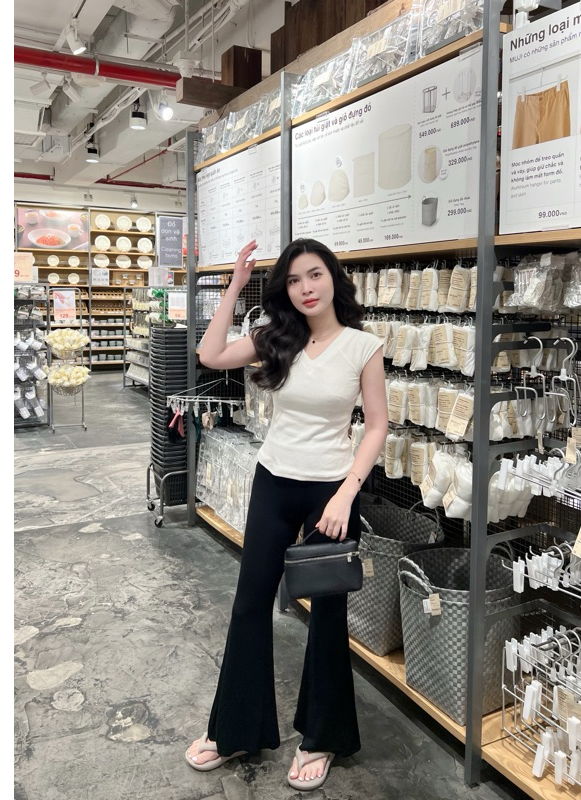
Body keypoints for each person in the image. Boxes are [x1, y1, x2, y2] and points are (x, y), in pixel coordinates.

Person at [185, 238, 388, 791]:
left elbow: (376, 425)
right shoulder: (278, 338)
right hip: (273, 480)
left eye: (314, 275)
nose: (305, 288)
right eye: (294, 280)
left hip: (332, 491)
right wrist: (234, 285)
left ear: (333, 278)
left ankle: (321, 737)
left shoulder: (363, 346)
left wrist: (346, 493)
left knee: (327, 614)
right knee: (250, 602)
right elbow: (210, 355)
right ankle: (235, 730)